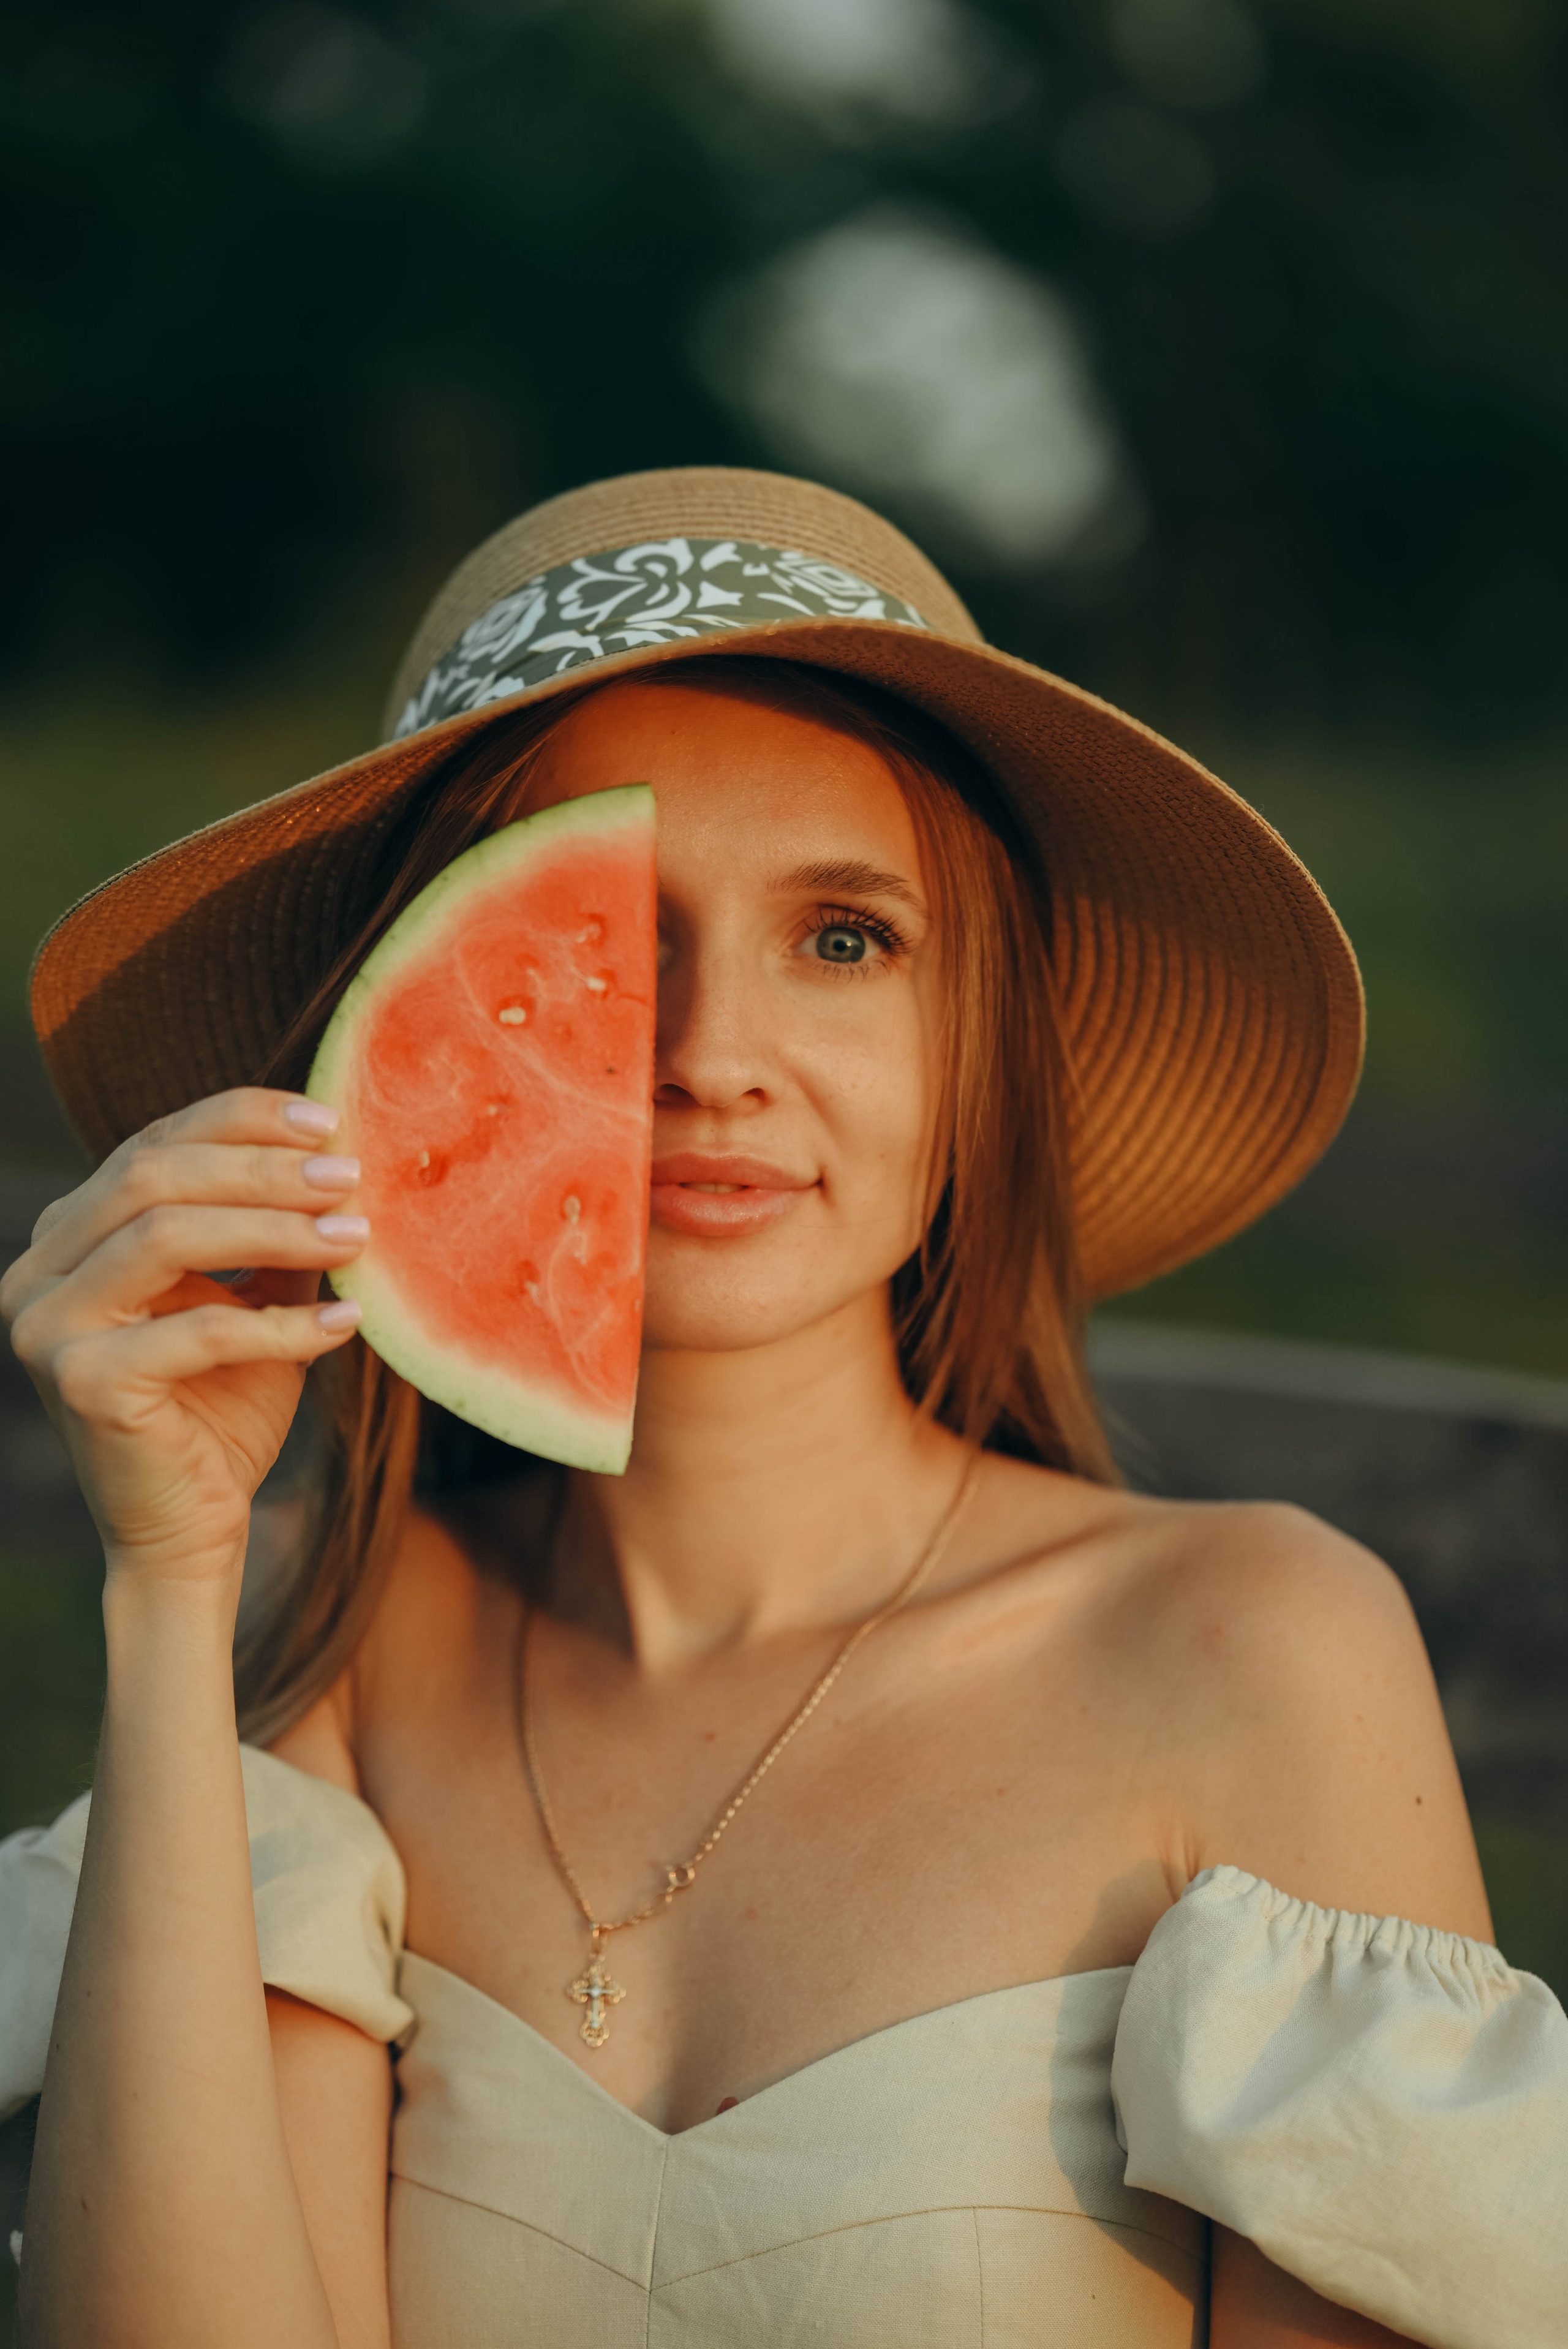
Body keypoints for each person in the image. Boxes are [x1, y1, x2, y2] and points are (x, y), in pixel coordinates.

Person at [1, 468, 1563, 2349]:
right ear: (409, 1047)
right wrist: (168, 1585)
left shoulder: (1255, 1644)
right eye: (590, 950)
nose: (710, 1058)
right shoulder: (329, 1673)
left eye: (844, 937)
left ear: (972, 1038)